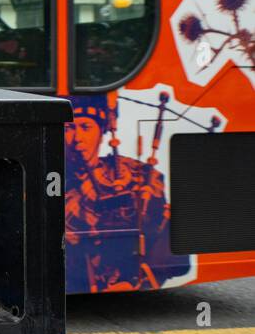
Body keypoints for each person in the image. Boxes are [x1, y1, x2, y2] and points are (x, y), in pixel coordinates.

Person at [64, 95, 190, 293]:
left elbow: (158, 228)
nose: (77, 138)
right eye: (69, 128)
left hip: (133, 279)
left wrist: (141, 280)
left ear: (101, 133)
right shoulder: (54, 179)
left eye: (86, 127)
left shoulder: (134, 175)